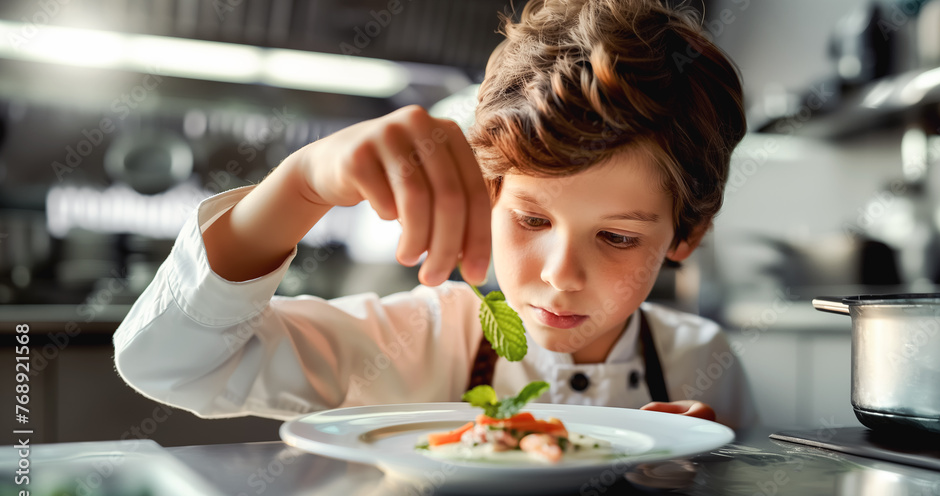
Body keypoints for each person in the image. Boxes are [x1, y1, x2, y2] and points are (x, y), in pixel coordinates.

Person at [113, 0, 757, 430]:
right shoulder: (414, 338)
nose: (562, 275)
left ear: (687, 233)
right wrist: (301, 186)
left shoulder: (704, 357)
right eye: (532, 221)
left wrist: (710, 479)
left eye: (617, 236)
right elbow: (170, 364)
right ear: (489, 197)